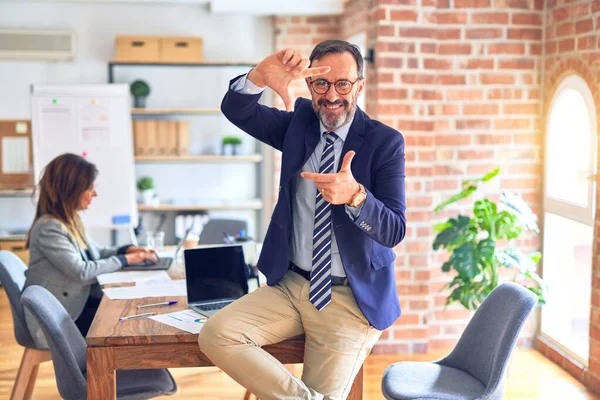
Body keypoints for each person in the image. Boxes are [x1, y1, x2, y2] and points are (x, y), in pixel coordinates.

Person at [198, 40, 406, 399]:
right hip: (290, 286)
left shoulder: (384, 142)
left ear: (359, 84)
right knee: (217, 334)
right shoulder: (299, 124)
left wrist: (356, 197)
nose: (332, 95)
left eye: (343, 83)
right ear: (309, 85)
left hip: (349, 299)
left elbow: (394, 230)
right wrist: (258, 77)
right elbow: (239, 110)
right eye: (321, 84)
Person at [24, 153, 157, 342]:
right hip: (59, 318)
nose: (95, 194)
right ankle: (116, 369)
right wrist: (125, 260)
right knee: (128, 325)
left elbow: (97, 254)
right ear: (71, 189)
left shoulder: (70, 220)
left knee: (131, 312)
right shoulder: (49, 227)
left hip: (74, 306)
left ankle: (133, 369)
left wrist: (126, 250)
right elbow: (82, 271)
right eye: (89, 188)